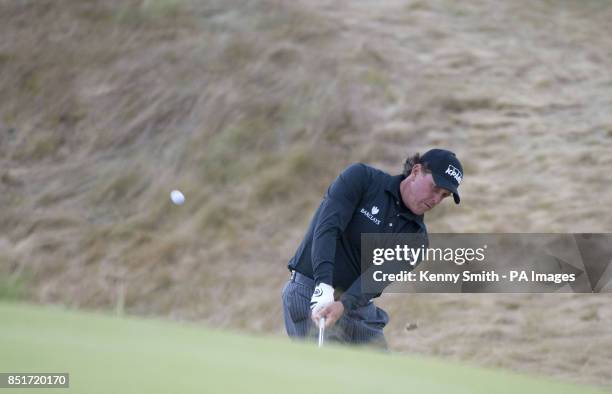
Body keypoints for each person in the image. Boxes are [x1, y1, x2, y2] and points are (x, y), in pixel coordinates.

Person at [281, 148, 464, 347]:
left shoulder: (417, 240)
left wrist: (343, 305)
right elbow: (326, 229)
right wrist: (323, 284)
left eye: (444, 195)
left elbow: (373, 281)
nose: (436, 199)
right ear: (416, 171)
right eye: (435, 188)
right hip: (309, 291)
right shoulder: (362, 179)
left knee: (382, 374)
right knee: (325, 373)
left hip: (356, 308)